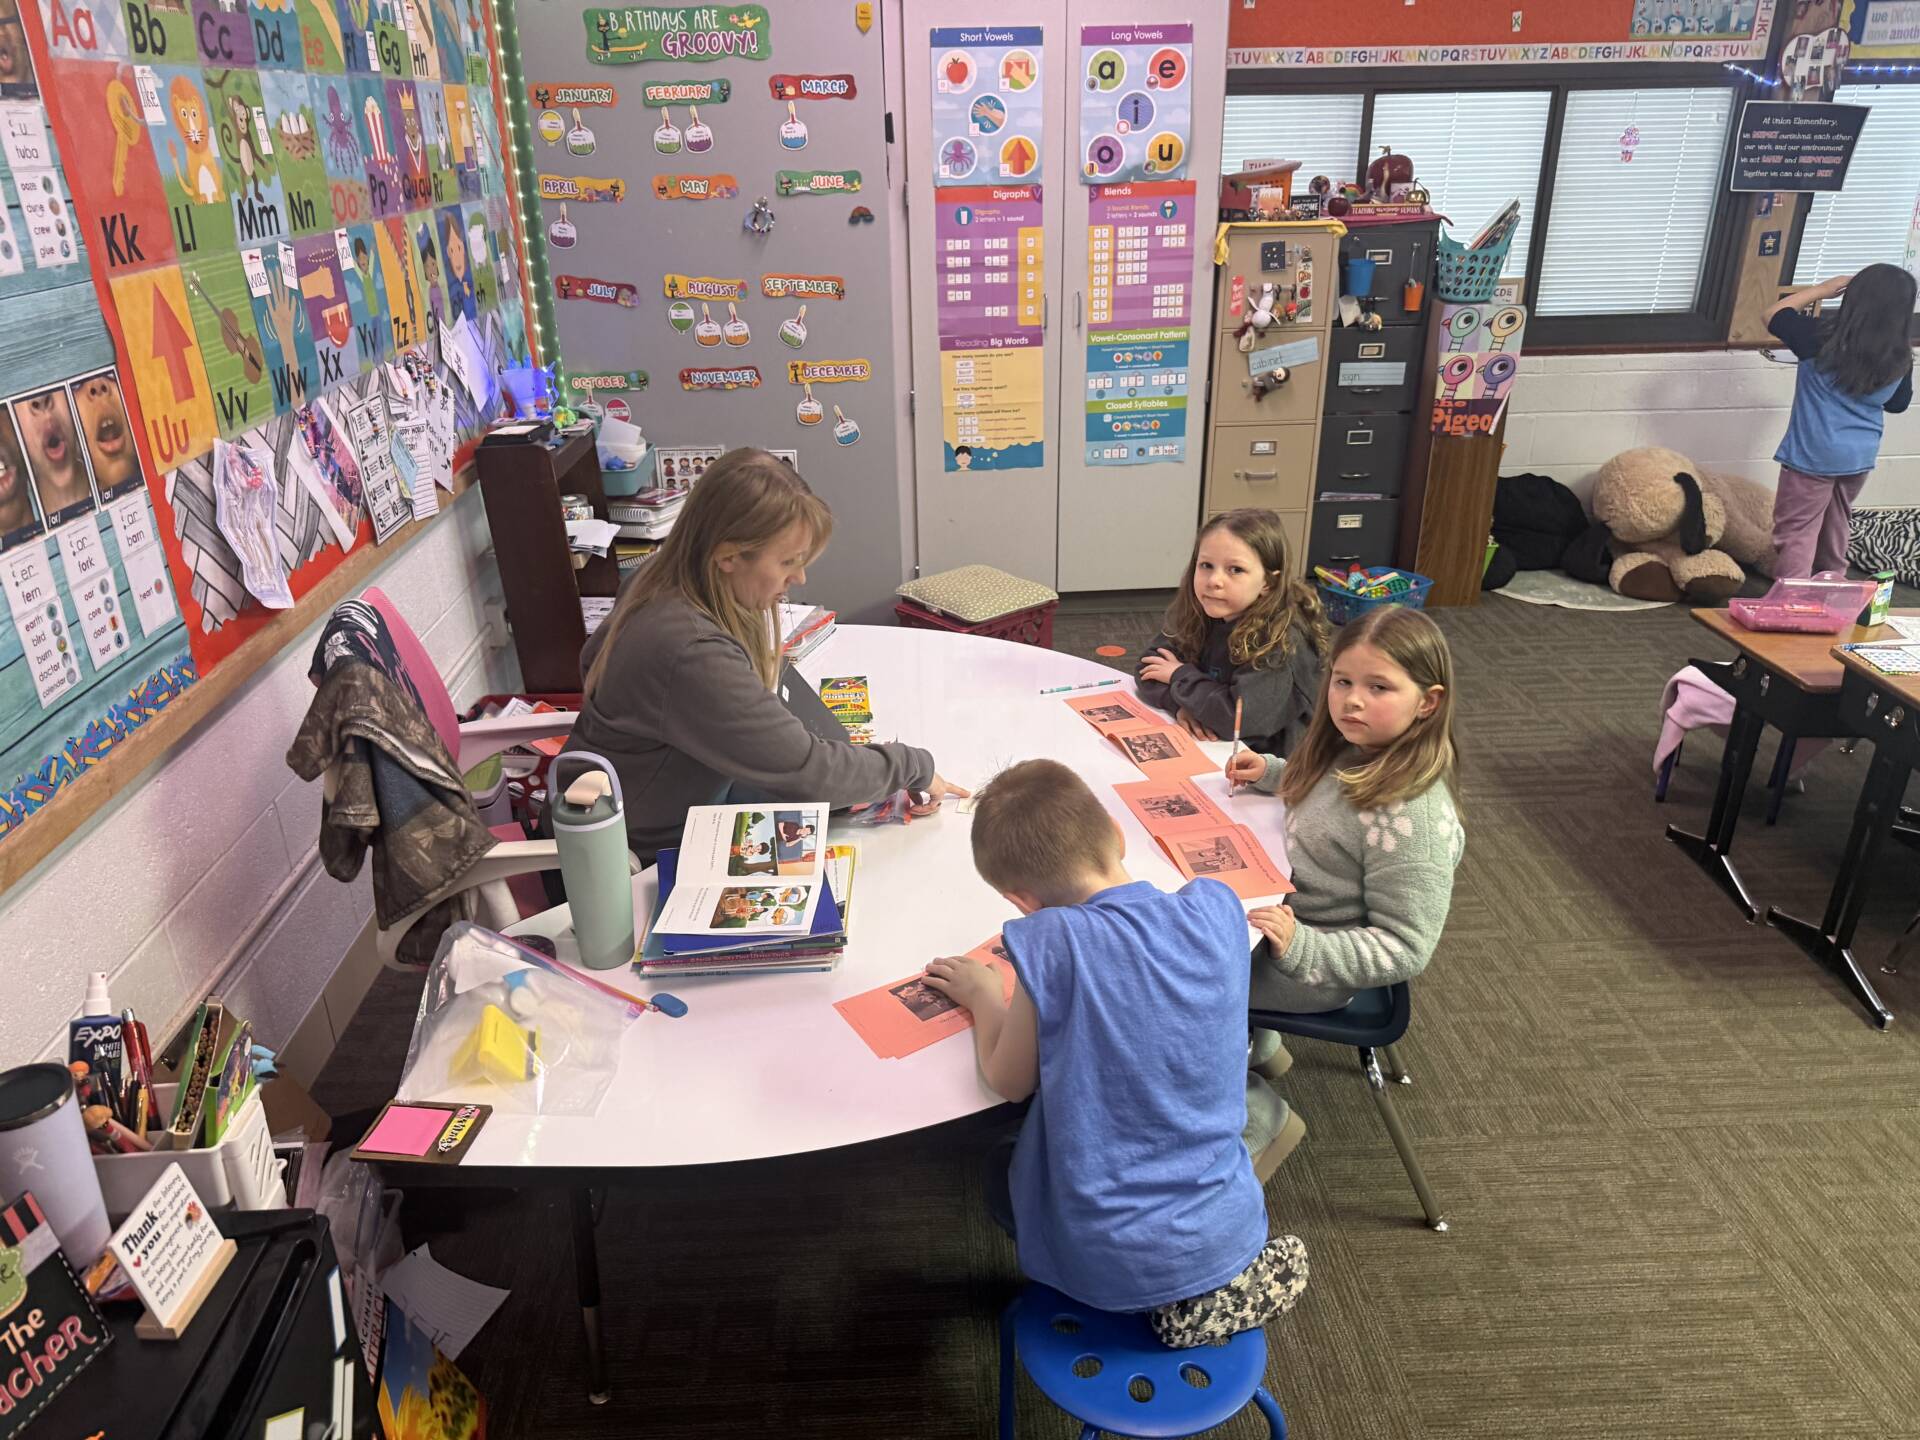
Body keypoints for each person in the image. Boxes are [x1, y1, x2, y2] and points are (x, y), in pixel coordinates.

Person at [924, 759, 1310, 1348]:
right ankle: (1197, 1287)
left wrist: (982, 997)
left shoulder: (1051, 941)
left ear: (1021, 900)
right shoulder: (1217, 907)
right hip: (1231, 1223)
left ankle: (1148, 1300)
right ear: (1117, 833)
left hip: (1100, 1259)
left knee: (1002, 1161)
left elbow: (1010, 1080)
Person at [564, 448, 967, 860]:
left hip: (649, 803)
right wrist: (912, 764)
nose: (800, 577)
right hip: (642, 851)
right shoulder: (689, 649)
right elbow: (810, 773)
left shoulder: (660, 577)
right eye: (788, 561)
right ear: (728, 556)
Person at [1226, 606, 1464, 1086]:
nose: (1352, 701)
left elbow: (1406, 948)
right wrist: (1275, 772)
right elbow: (1328, 793)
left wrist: (1302, 948)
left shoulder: (1409, 815)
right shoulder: (1355, 746)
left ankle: (1254, 1115)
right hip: (1279, 919)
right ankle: (1257, 1043)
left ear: (1428, 702)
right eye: (1342, 681)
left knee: (1161, 985)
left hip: (1308, 966)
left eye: (1379, 687)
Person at [1763, 265, 1916, 579]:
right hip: (1858, 458)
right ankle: (1832, 587)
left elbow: (1773, 314)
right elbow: (1897, 404)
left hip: (1812, 456)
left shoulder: (1819, 337)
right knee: (1836, 525)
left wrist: (1822, 289)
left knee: (1798, 531)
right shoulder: (1900, 355)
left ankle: (1792, 601)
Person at [1136, 509, 1328, 756]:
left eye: (1235, 570)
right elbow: (1147, 667)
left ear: (1268, 583)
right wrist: (1181, 706)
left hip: (1276, 772)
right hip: (1219, 749)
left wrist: (1180, 676)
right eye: (1206, 565)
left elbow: (1235, 719)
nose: (1214, 580)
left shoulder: (1282, 639)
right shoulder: (1204, 610)